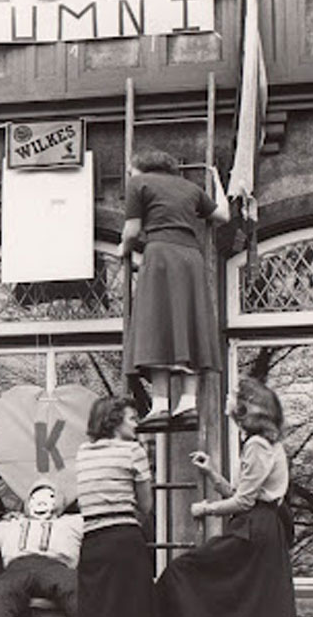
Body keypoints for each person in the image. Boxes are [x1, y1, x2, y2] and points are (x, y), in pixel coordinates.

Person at [154, 377, 296, 617]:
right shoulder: (266, 442)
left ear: (246, 405)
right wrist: (211, 473)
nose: (227, 398)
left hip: (254, 529)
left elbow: (244, 502)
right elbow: (243, 495)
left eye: (233, 395)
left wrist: (205, 509)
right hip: (261, 527)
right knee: (253, 601)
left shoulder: (257, 445)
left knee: (182, 571)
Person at [119, 149, 230, 421]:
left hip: (161, 255)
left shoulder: (138, 183)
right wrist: (217, 183)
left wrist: (122, 248)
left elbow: (132, 230)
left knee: (155, 324)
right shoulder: (190, 188)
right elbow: (223, 216)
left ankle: (160, 404)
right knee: (187, 323)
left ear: (138, 167)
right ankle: (188, 403)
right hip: (191, 258)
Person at [75, 397, 155, 617]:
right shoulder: (132, 451)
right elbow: (146, 505)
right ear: (114, 421)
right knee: (133, 606)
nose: (136, 424)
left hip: (91, 542)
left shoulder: (82, 452)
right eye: (132, 418)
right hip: (123, 540)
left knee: (97, 607)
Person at [0, 479, 83, 617]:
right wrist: (0, 516)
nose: (41, 502)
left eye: (49, 497)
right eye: (35, 498)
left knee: (76, 587)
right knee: (0, 591)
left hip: (56, 566)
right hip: (17, 568)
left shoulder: (70, 522)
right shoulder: (12, 524)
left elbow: (96, 519)